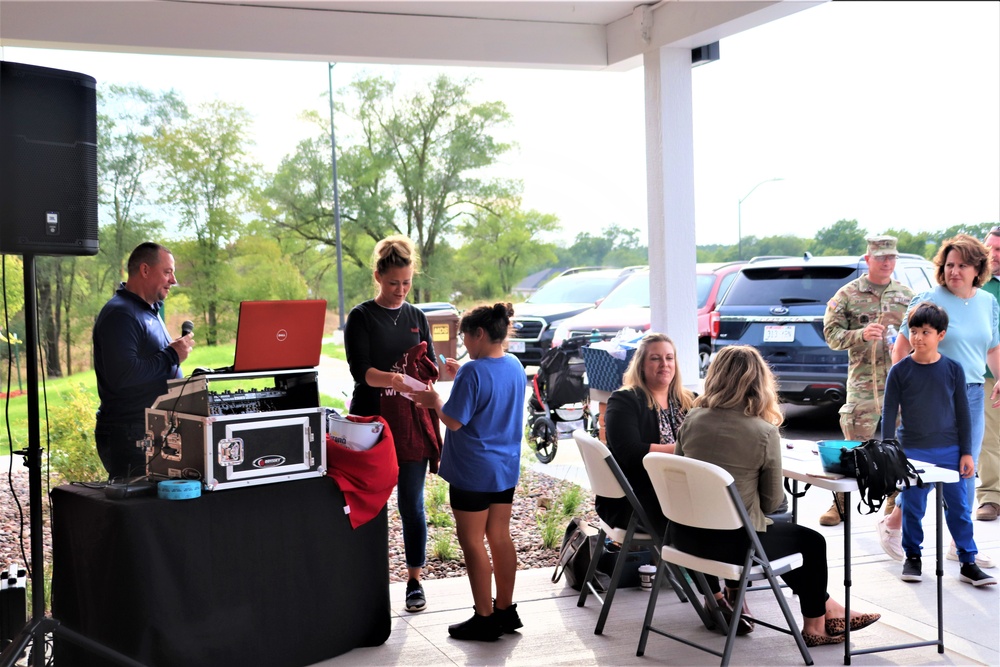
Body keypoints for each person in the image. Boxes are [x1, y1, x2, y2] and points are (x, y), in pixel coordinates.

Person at [672, 345, 881, 647]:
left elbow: (682, 474)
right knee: (809, 541)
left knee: (783, 539)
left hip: (685, 537)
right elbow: (773, 504)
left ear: (714, 377)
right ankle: (815, 626)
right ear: (760, 382)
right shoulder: (763, 432)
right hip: (729, 546)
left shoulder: (692, 419)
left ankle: (830, 610)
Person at [414, 303, 526, 641]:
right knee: (500, 536)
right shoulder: (514, 365)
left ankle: (484, 618)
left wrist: (434, 400)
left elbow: (454, 420)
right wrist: (464, 371)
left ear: (478, 333)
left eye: (466, 336)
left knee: (472, 542)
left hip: (472, 471)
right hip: (504, 469)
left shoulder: (473, 373)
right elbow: (491, 389)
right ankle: (505, 610)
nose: (465, 344)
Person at [889, 234, 999, 568]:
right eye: (949, 264)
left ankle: (961, 544)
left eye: (962, 265)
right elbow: (902, 348)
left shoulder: (987, 302)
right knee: (922, 470)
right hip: (930, 394)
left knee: (965, 468)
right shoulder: (928, 298)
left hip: (972, 393)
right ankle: (897, 527)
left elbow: (992, 347)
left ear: (977, 268)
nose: (954, 271)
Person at [344, 235, 440, 613]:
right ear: (378, 277)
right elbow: (362, 373)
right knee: (370, 503)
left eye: (406, 283)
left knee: (411, 505)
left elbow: (429, 364)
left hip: (413, 423)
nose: (400, 290)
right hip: (372, 423)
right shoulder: (362, 317)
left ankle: (414, 581)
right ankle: (366, 579)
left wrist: (442, 369)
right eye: (393, 283)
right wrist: (393, 379)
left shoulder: (417, 317)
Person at [882, 302, 996, 586]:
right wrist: (888, 452)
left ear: (941, 335)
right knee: (912, 506)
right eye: (914, 331)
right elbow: (888, 414)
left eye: (926, 331)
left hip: (951, 451)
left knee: (959, 507)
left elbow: (963, 414)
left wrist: (967, 452)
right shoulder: (899, 371)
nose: (918, 337)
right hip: (913, 452)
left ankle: (968, 562)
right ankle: (913, 557)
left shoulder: (953, 369)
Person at [822, 235, 914, 528]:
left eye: (892, 257)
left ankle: (894, 499)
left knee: (899, 446)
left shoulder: (907, 295)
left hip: (899, 383)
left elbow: (923, 333)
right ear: (868, 259)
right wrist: (859, 335)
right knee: (853, 449)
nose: (887, 262)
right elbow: (831, 336)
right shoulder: (848, 294)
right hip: (863, 386)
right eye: (881, 257)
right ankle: (841, 503)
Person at [92, 242, 194, 481]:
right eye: (167, 272)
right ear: (145, 270)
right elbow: (124, 376)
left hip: (150, 430)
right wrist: (172, 356)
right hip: (129, 435)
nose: (174, 280)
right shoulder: (121, 313)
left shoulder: (148, 310)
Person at [599, 332, 695, 541]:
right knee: (710, 513)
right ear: (641, 365)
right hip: (638, 499)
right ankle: (694, 569)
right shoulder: (624, 400)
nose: (664, 364)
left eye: (669, 358)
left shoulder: (688, 400)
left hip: (679, 489)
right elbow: (630, 452)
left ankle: (706, 569)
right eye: (655, 358)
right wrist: (685, 450)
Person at [976, 226, 1000, 522]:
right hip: (987, 375)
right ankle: (991, 497)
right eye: (990, 249)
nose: (992, 256)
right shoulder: (976, 285)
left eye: (999, 251)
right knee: (989, 439)